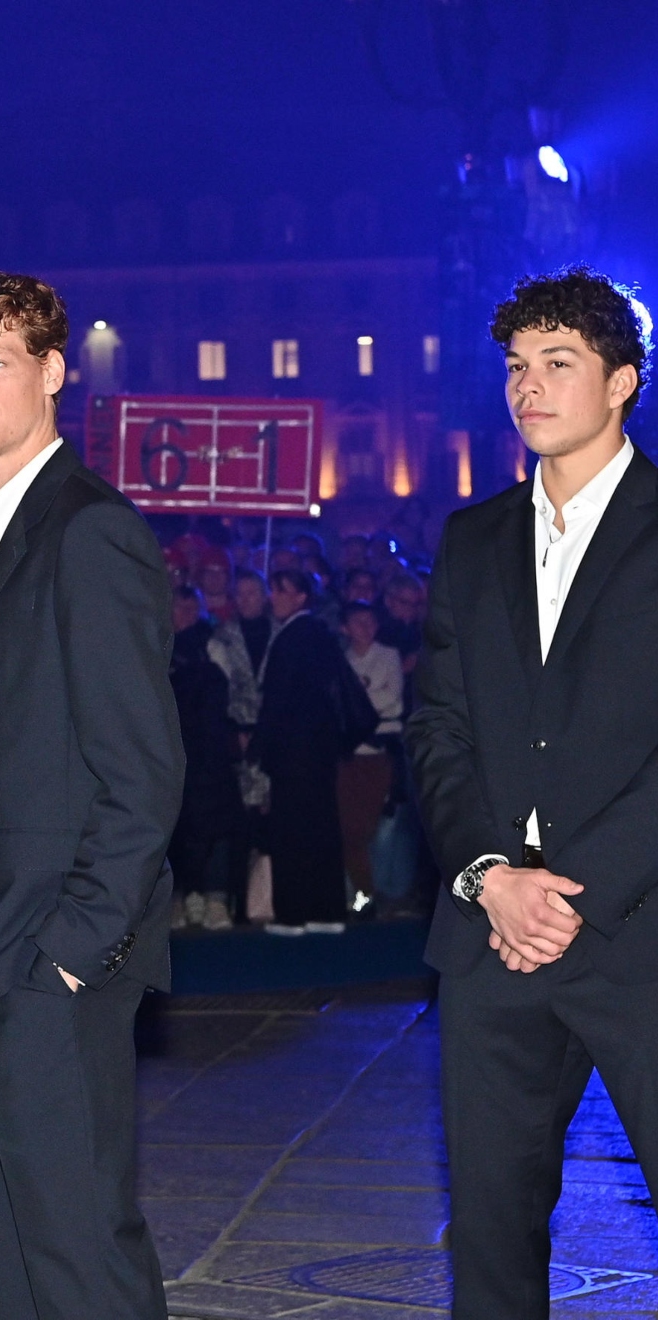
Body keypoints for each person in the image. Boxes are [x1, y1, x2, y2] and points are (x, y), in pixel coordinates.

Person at [0, 271, 178, 1320]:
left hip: (45, 968)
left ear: (54, 372)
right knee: (0, 1264)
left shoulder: (89, 530)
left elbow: (142, 771)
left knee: (78, 1256)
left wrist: (68, 953)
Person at [408, 267, 658, 1320]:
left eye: (560, 363)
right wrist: (491, 878)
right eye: (517, 366)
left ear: (622, 384)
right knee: (493, 1233)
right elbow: (437, 729)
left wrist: (567, 892)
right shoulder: (474, 539)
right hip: (490, 942)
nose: (530, 386)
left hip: (642, 933)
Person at [254, 568, 351, 935]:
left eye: (283, 590)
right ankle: (327, 911)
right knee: (321, 827)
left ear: (300, 597)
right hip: (319, 752)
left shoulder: (291, 637)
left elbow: (276, 703)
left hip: (292, 752)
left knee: (291, 832)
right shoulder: (320, 635)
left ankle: (293, 913)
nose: (274, 597)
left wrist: (260, 748)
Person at [170, 586, 242, 931]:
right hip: (172, 751)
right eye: (178, 606)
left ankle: (215, 898)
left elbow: (226, 697)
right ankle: (187, 896)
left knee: (216, 824)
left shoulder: (213, 646)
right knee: (178, 828)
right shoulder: (159, 645)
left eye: (190, 606)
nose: (185, 613)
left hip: (210, 752)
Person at [337, 600, 402, 916]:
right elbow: (341, 707)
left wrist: (358, 705)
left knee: (375, 827)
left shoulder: (388, 655)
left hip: (379, 754)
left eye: (370, 620)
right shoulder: (341, 661)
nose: (365, 626)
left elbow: (393, 702)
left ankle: (380, 892)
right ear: (345, 627)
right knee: (350, 828)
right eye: (357, 620)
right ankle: (363, 893)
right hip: (350, 756)